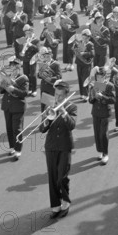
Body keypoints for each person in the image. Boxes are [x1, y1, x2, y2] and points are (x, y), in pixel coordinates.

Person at [39, 80, 77, 219]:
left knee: (62, 177)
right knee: (52, 177)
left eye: (60, 95)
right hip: (51, 146)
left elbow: (72, 125)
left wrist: (63, 112)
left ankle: (65, 202)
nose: (57, 98)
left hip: (65, 145)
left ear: (66, 96)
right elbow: (42, 129)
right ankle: (55, 205)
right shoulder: (49, 106)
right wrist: (48, 119)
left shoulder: (72, 107)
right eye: (56, 94)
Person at [0, 62, 30, 160]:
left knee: (17, 129)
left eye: (15, 69)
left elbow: (24, 93)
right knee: (9, 128)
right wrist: (4, 85)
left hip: (18, 107)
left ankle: (18, 150)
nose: (12, 71)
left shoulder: (23, 79)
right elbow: (0, 91)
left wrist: (14, 89)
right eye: (11, 69)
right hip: (7, 106)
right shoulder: (8, 77)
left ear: (19, 69)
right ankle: (12, 147)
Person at [88, 75, 116, 165]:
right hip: (95, 112)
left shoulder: (109, 86)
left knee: (103, 134)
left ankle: (106, 154)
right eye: (98, 78)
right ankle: (100, 151)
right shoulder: (95, 85)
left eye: (101, 77)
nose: (99, 79)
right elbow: (90, 101)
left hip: (105, 113)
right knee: (97, 133)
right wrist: (92, 94)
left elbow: (113, 99)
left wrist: (102, 96)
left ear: (104, 77)